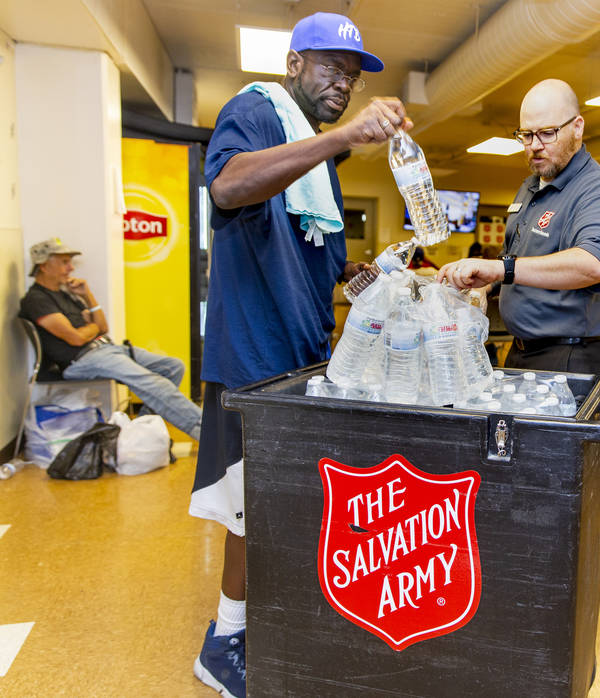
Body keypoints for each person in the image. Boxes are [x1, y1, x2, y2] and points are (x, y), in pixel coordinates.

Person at [190, 12, 410, 697]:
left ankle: (268, 622)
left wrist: (364, 275)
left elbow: (322, 253)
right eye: (329, 68)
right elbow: (227, 187)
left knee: (286, 507)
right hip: (254, 359)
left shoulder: (317, 158)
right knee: (247, 508)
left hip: (302, 359)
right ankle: (222, 639)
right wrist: (344, 138)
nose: (342, 85)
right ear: (293, 65)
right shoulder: (256, 110)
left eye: (351, 76)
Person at [437, 79, 600, 376]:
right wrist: (484, 283)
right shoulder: (530, 186)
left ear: (577, 127)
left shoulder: (596, 189)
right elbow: (513, 254)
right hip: (523, 350)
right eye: (526, 135)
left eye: (548, 133)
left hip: (572, 356)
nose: (535, 146)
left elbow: (593, 265)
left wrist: (502, 270)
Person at [19, 238, 203, 440]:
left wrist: (87, 295)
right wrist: (92, 329)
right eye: (64, 262)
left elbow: (102, 326)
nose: (70, 267)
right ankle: (207, 432)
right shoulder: (36, 299)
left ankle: (140, 430)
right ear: (44, 265)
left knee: (172, 367)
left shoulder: (67, 294)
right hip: (81, 359)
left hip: (105, 348)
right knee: (154, 383)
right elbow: (76, 339)